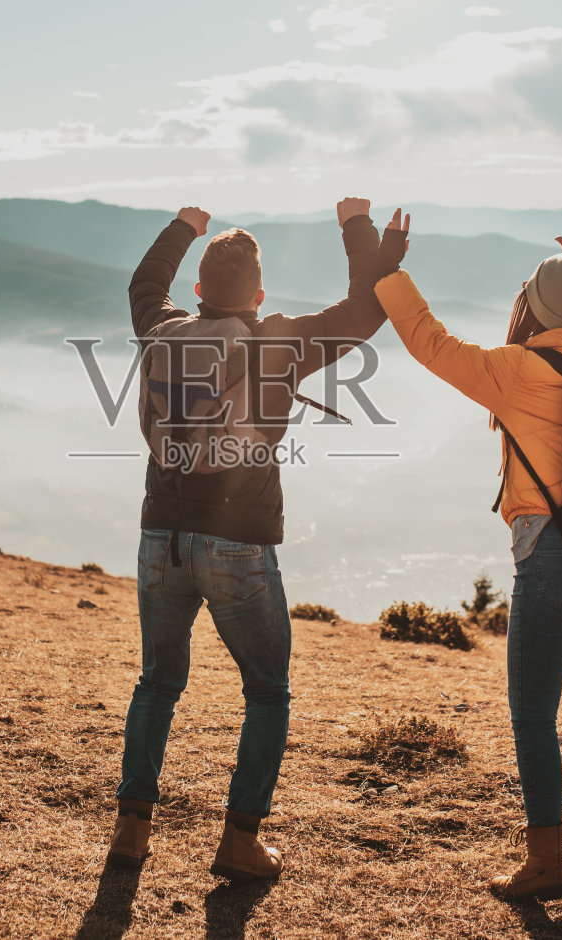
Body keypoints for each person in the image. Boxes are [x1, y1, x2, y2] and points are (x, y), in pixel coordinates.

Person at [109, 200, 408, 882]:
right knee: (267, 693)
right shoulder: (280, 343)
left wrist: (185, 226)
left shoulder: (162, 328)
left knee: (158, 682)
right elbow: (367, 311)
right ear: (260, 296)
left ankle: (132, 830)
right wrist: (359, 228)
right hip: (238, 545)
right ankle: (239, 841)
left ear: (199, 291)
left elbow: (143, 285)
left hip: (160, 534)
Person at [372, 202, 562, 902]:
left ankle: (546, 861)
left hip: (554, 557)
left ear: (533, 303)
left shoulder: (520, 369)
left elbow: (430, 342)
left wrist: (388, 269)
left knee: (532, 713)